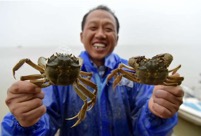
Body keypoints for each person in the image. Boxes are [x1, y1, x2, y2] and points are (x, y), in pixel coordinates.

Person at [1, 5, 184, 136]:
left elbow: (148, 130)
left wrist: (157, 114)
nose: (100, 34)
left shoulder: (132, 73)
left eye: (108, 29)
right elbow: (44, 122)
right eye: (93, 27)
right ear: (82, 36)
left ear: (117, 38)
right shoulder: (57, 83)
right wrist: (23, 122)